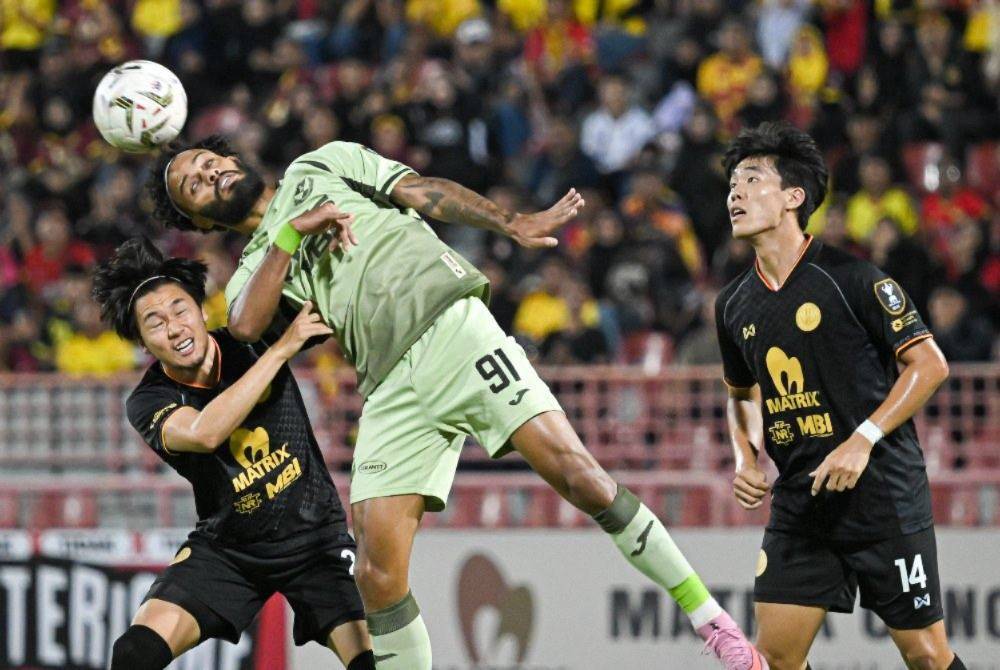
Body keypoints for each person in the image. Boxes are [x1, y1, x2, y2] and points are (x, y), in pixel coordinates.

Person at [144, 136, 768, 669]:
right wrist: (288, 232)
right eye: (192, 185)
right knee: (375, 574)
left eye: (205, 161)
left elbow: (421, 192)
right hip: (388, 386)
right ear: (199, 222)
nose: (208, 173)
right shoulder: (256, 264)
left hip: (454, 330)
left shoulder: (323, 163)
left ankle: (715, 624)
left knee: (582, 479)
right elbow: (250, 326)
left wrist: (509, 222)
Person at [715, 122, 964, 670]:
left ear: (793, 198)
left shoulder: (852, 279)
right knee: (776, 658)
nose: (734, 193)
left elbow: (930, 364)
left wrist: (863, 439)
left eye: (751, 180)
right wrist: (745, 454)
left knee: (925, 655)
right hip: (802, 504)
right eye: (731, 183)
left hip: (882, 497)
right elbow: (741, 393)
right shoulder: (732, 305)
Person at [91, 238, 374, 670]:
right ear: (145, 344)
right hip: (229, 552)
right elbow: (206, 433)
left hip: (316, 538)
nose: (174, 327)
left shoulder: (250, 335)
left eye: (180, 310)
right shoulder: (148, 400)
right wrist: (281, 351)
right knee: (132, 654)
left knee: (374, 660)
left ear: (203, 311)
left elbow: (338, 296)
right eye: (155, 322)